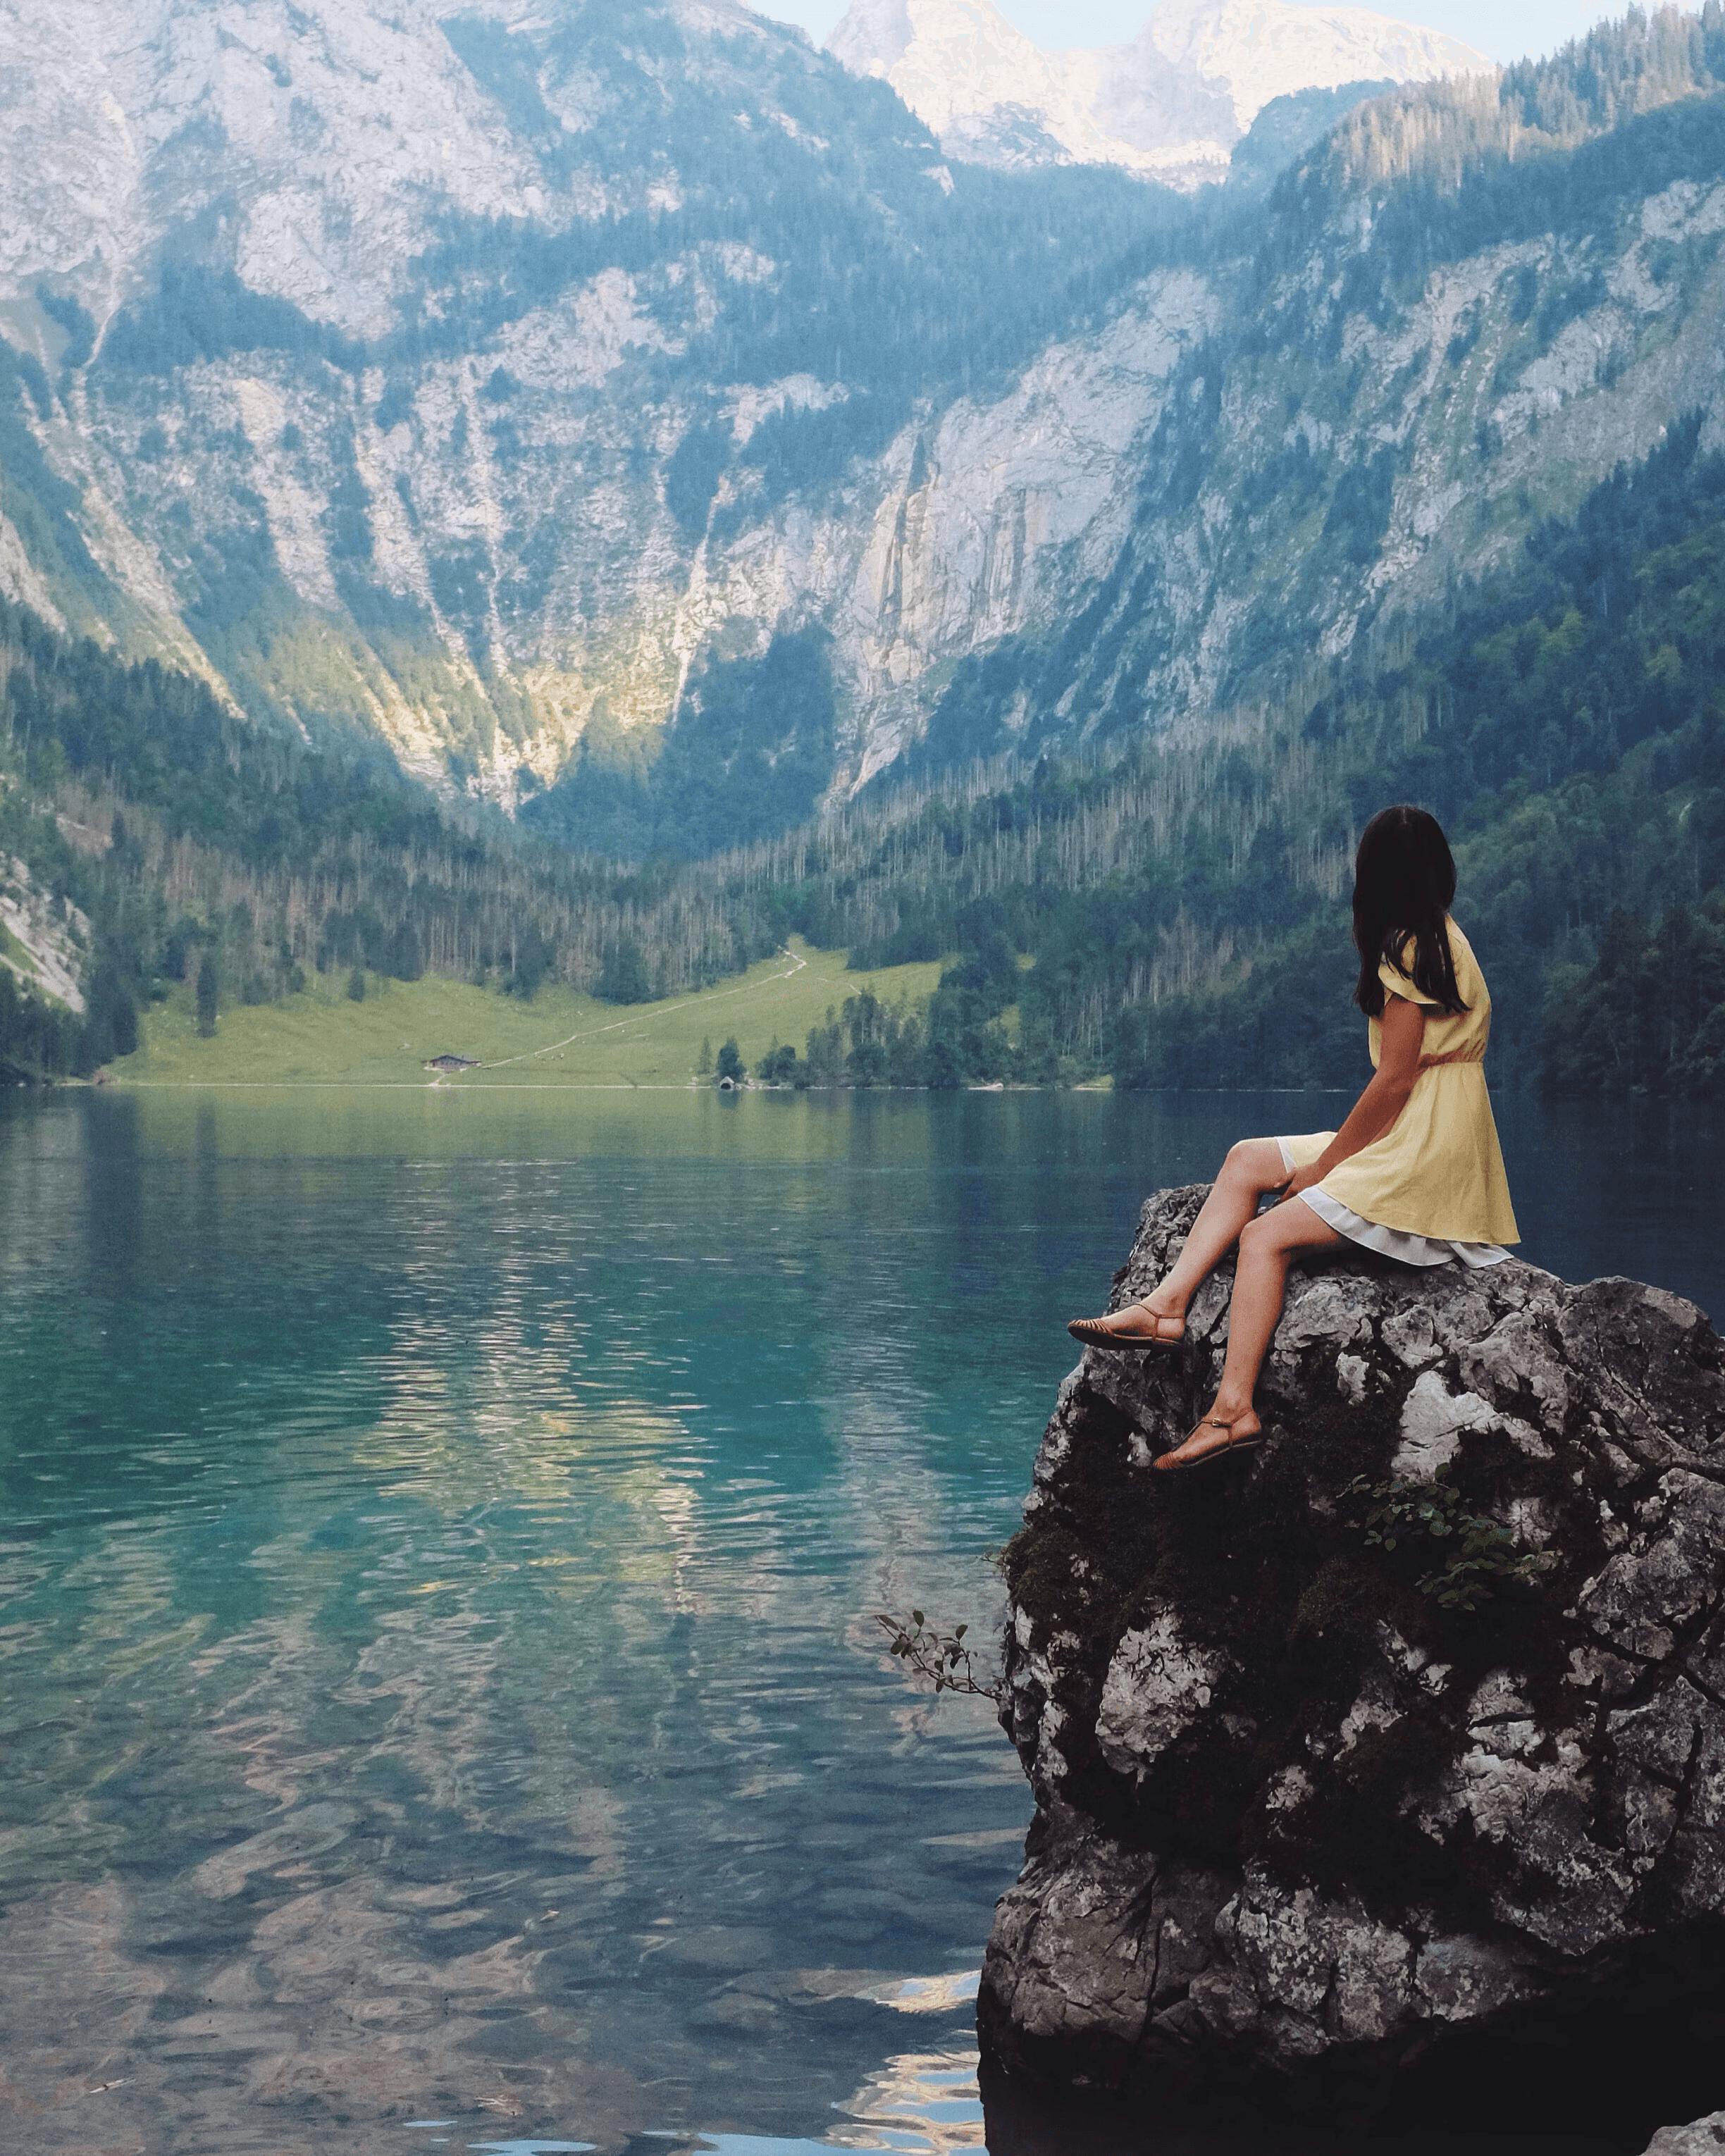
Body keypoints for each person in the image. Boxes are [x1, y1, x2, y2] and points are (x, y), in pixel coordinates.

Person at [1066, 804, 1519, 1471]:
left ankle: (1232, 1411)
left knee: (1264, 1237)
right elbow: (1403, 1088)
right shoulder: (1443, 937)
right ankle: (1165, 1307)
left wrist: (1328, 1168)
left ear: (1376, 878)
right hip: (1426, 1128)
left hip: (1425, 1147)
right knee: (1247, 1158)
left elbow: (1393, 1084)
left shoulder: (1411, 948)